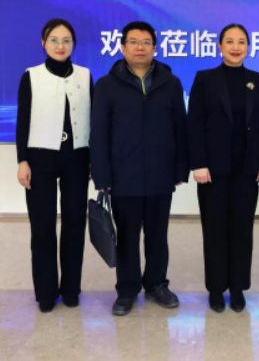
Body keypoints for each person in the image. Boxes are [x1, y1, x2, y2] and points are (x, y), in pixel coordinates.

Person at [91, 21, 189, 317]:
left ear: (155, 48)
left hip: (161, 173)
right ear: (123, 48)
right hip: (124, 176)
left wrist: (180, 169)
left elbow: (180, 128)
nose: (140, 47)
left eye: (146, 42)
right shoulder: (107, 85)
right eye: (133, 42)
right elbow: (99, 133)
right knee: (127, 237)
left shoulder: (170, 83)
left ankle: (157, 284)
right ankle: (127, 289)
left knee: (158, 235)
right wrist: (101, 175)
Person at [188, 24, 259, 313]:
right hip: (212, 169)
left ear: (248, 46)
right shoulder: (205, 78)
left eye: (241, 42)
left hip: (247, 169)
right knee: (214, 228)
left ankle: (237, 288)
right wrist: (198, 163)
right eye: (230, 41)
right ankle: (215, 288)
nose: (236, 47)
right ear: (220, 46)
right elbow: (194, 123)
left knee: (242, 229)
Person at [16, 18, 93, 313]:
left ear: (73, 44)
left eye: (66, 40)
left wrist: (93, 161)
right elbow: (23, 122)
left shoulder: (85, 75)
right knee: (43, 227)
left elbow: (92, 120)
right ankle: (46, 293)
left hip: (77, 158)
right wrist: (22, 160)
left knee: (74, 225)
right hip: (40, 159)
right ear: (43, 43)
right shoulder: (31, 76)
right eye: (54, 40)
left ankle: (71, 289)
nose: (60, 45)